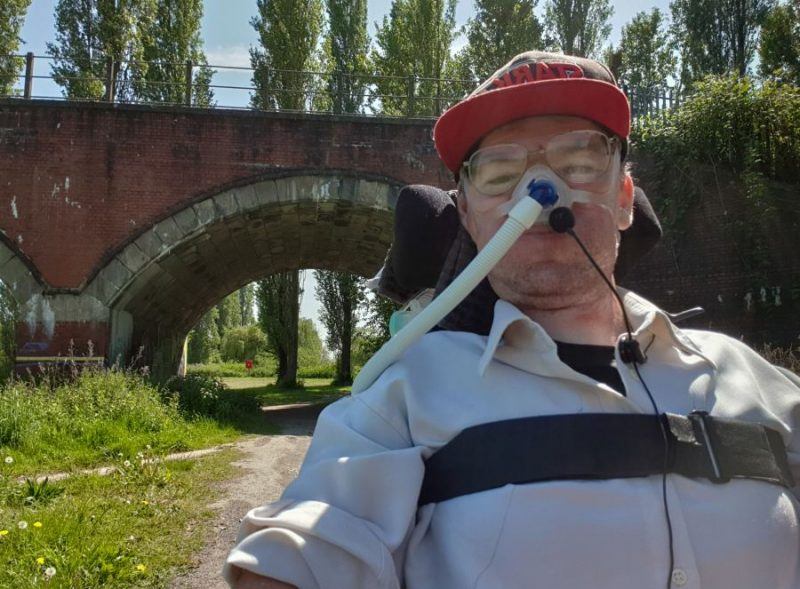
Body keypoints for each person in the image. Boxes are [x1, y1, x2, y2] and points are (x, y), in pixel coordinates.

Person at [224, 51, 800, 589]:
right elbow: (305, 550)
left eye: (579, 160)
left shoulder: (755, 381)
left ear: (624, 198)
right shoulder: (402, 398)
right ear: (470, 216)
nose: (542, 190)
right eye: (501, 173)